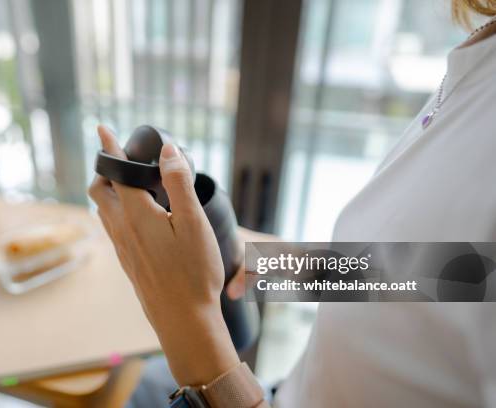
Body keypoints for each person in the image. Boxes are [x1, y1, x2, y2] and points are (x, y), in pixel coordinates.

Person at [89, 1, 496, 406]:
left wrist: (188, 324)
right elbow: (462, 278)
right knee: (143, 384)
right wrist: (262, 260)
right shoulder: (483, 55)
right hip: (294, 391)